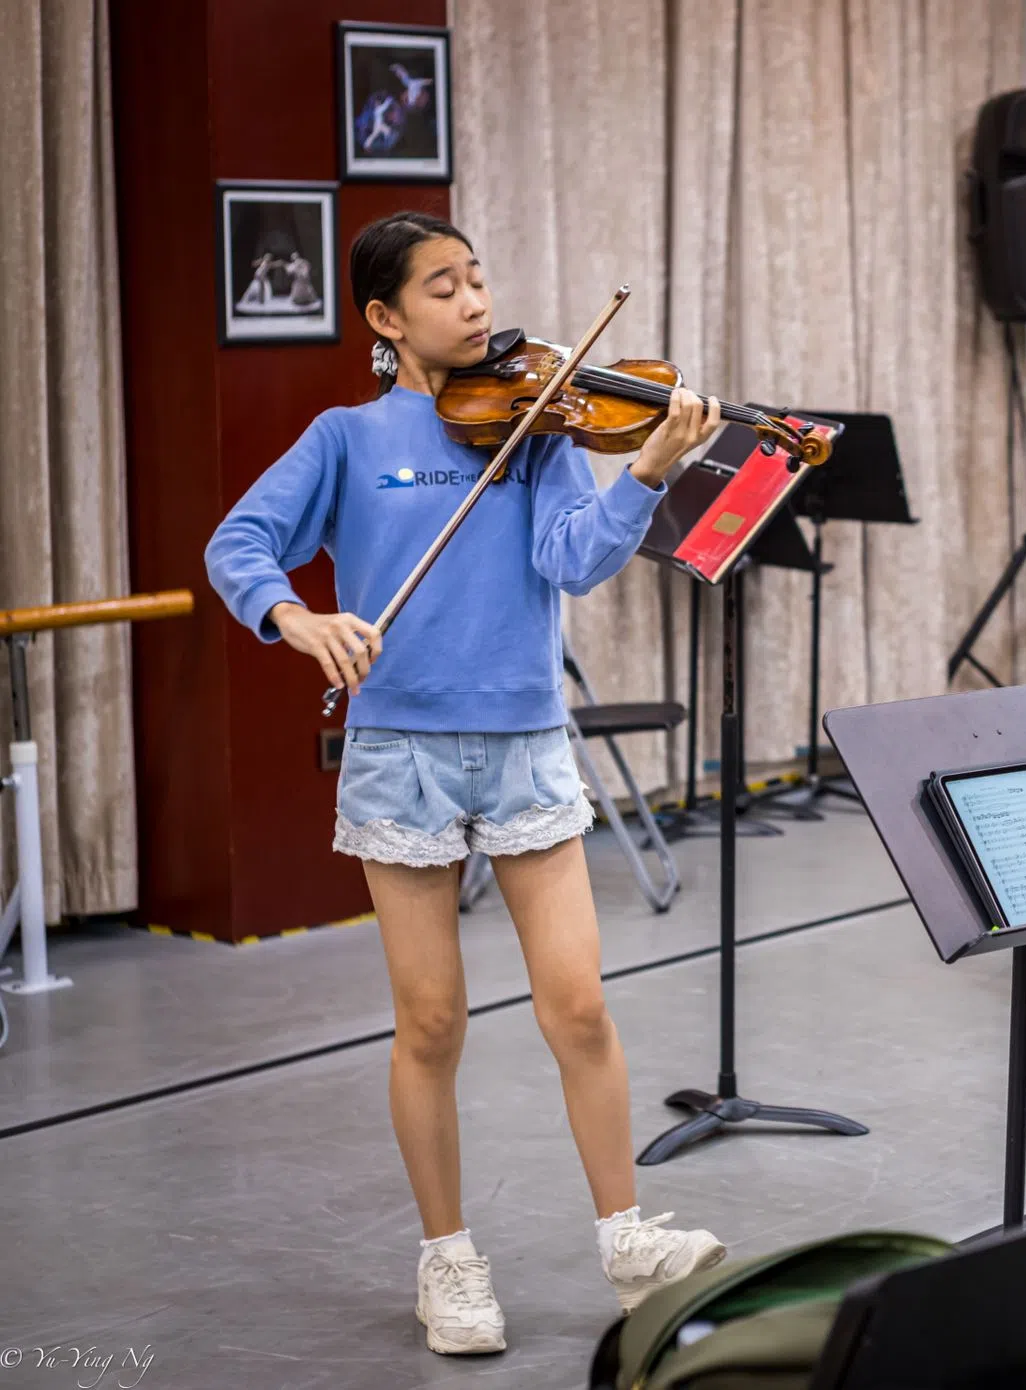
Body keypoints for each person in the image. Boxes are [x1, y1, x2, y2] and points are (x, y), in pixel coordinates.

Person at [206, 211, 726, 1356]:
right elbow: (236, 544)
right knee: (432, 1021)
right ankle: (447, 1260)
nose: (476, 303)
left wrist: (644, 471)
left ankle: (627, 1238)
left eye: (478, 279)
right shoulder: (347, 437)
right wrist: (295, 616)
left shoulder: (538, 427)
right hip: (401, 753)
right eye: (443, 287)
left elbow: (571, 561)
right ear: (385, 318)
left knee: (578, 1006)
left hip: (526, 741)